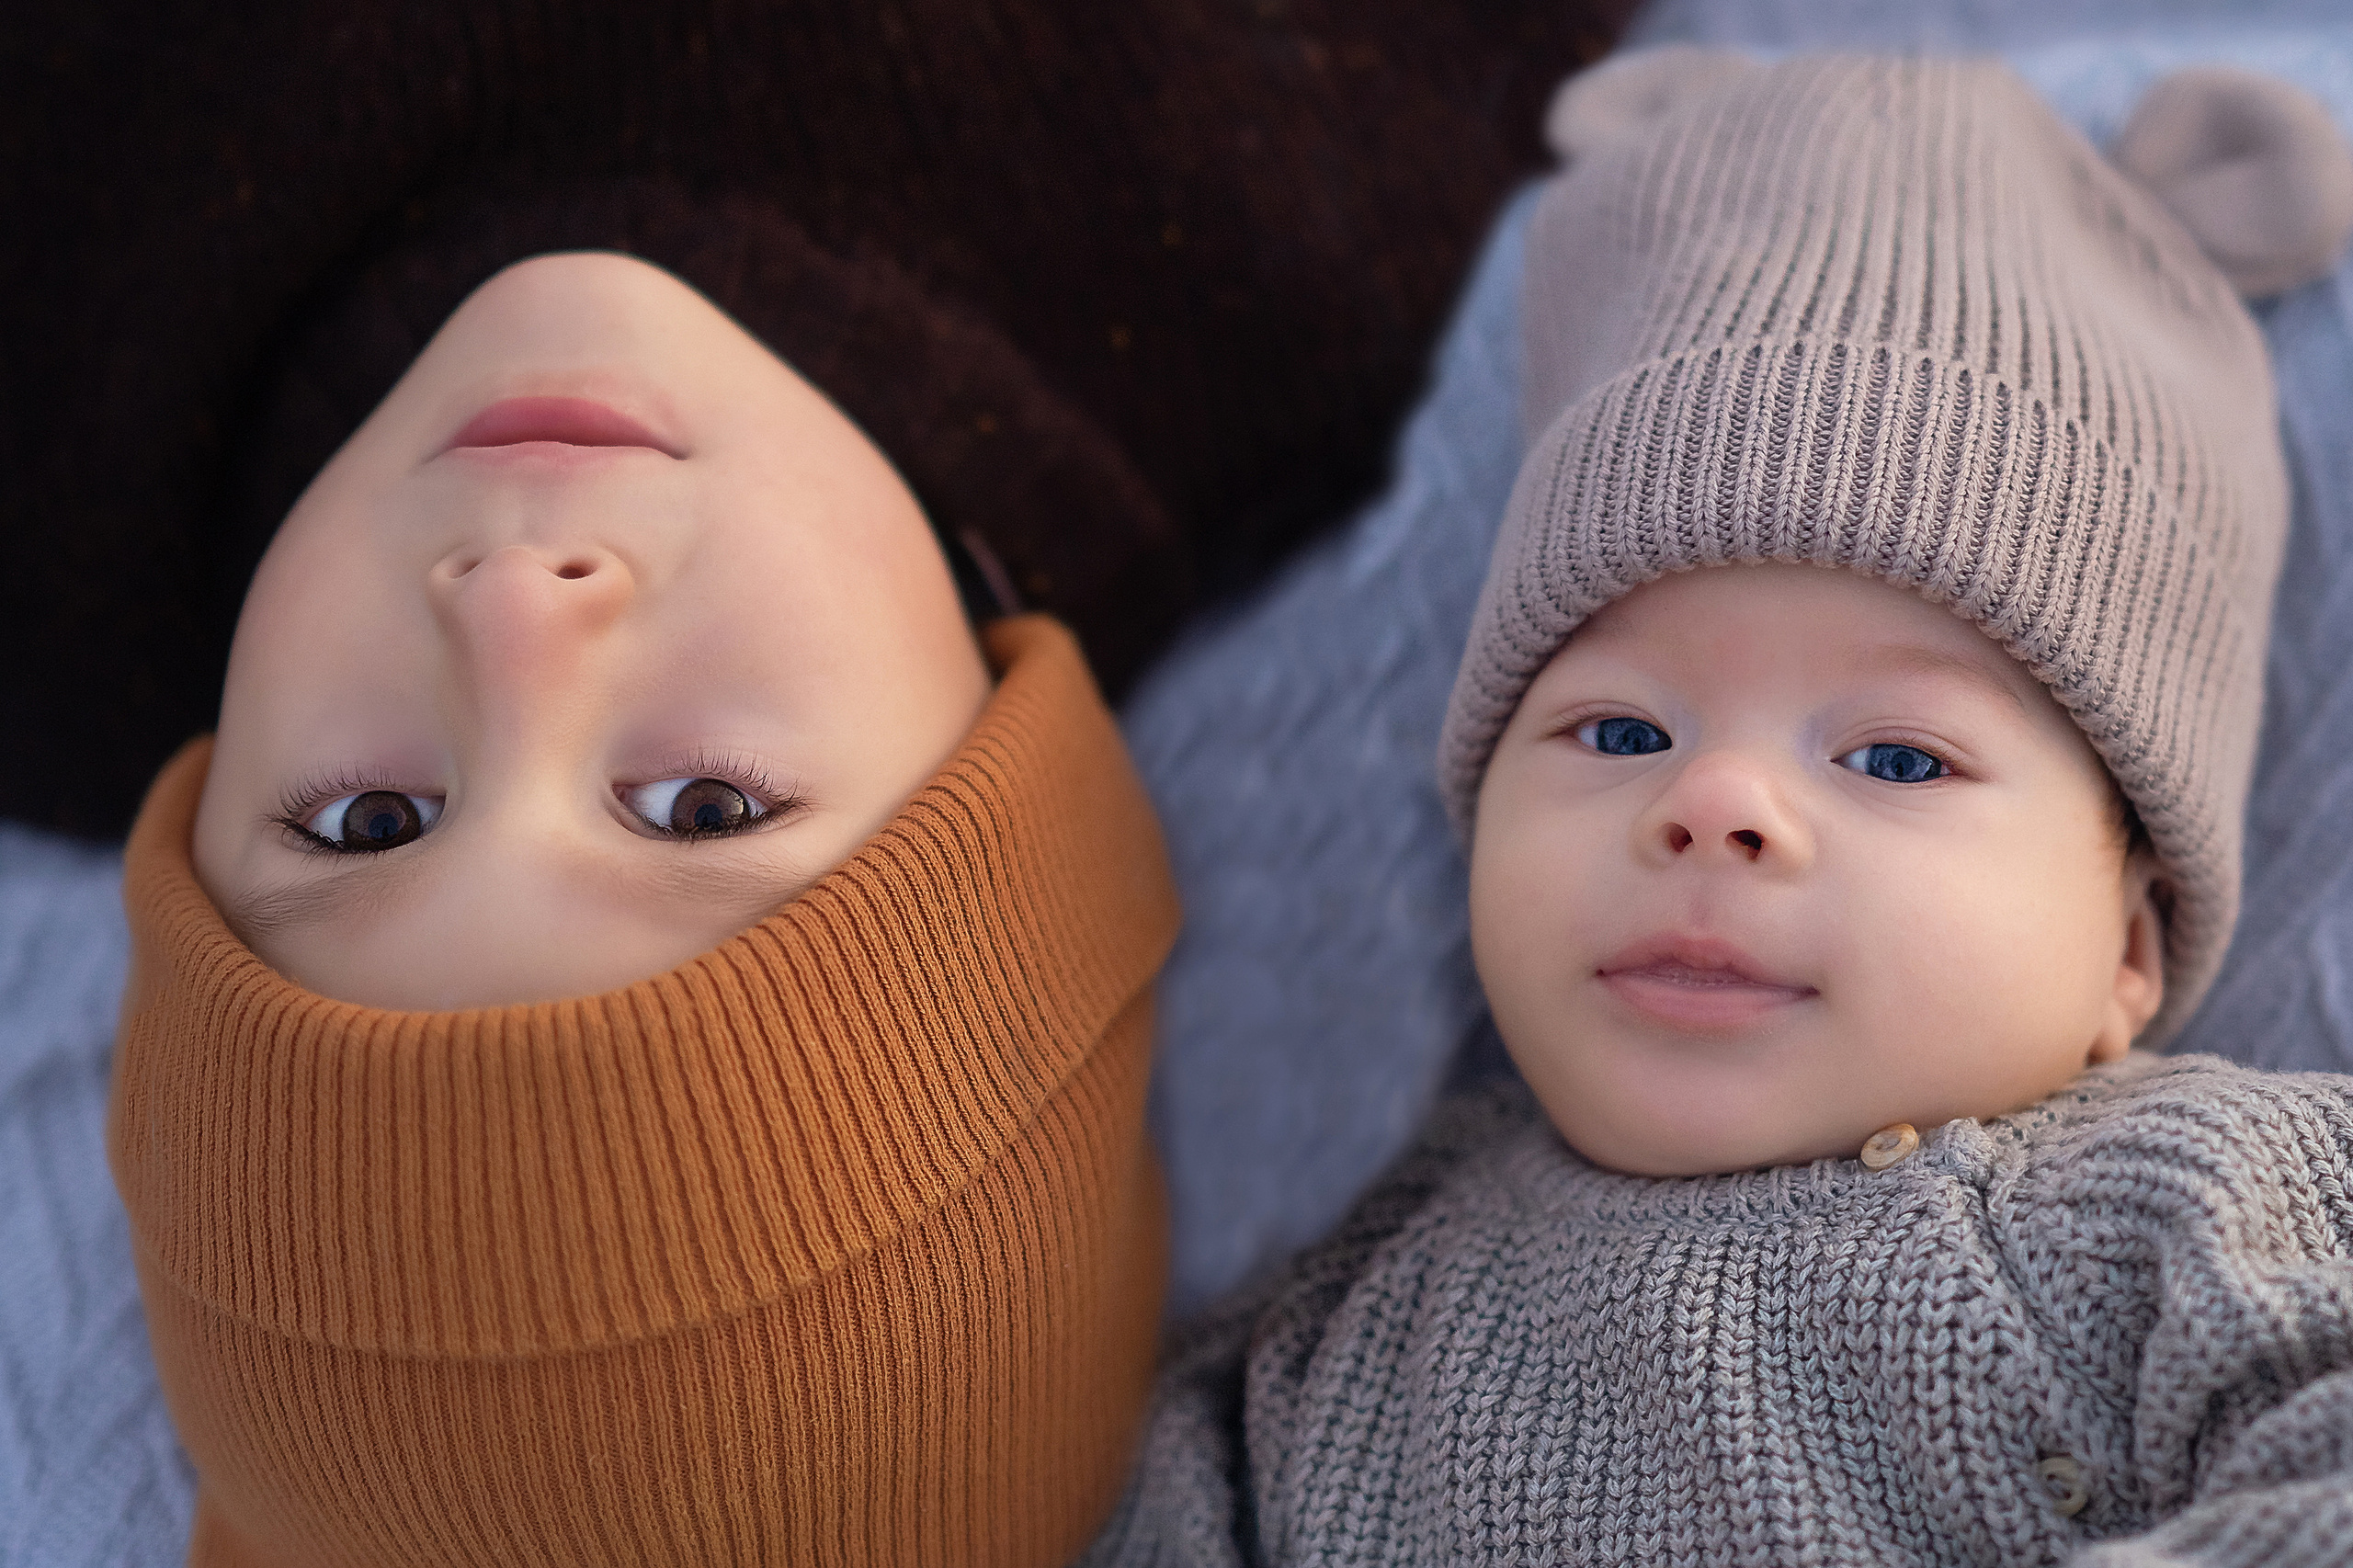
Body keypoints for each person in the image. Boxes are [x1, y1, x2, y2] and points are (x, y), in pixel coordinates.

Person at [1083, 51, 2353, 1566]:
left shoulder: (2208, 1194)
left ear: (2129, 950)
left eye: (1896, 759)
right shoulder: (1337, 1316)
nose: (1714, 802)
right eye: (1620, 730)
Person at [109, 250, 1179, 1566]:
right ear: (1037, 802)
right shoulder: (1251, 283)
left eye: (372, 821)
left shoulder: (77, 425)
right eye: (706, 809)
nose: (514, 607)